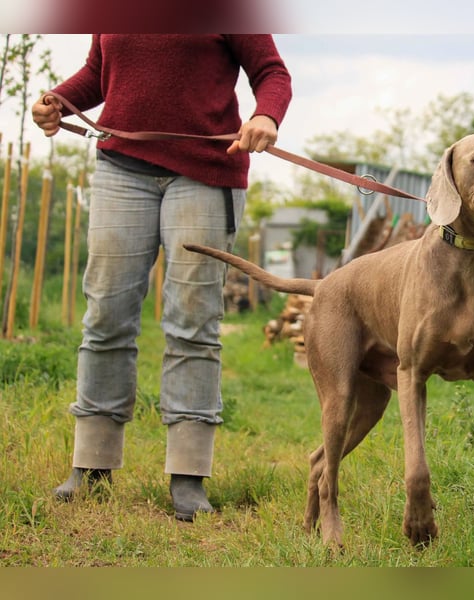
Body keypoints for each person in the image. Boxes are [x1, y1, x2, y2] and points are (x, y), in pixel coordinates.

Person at [31, 34, 292, 521]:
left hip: (205, 171)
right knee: (106, 312)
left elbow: (272, 73)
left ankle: (189, 476)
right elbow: (100, 73)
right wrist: (59, 100)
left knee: (192, 319)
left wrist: (265, 116)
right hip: (120, 169)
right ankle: (92, 464)